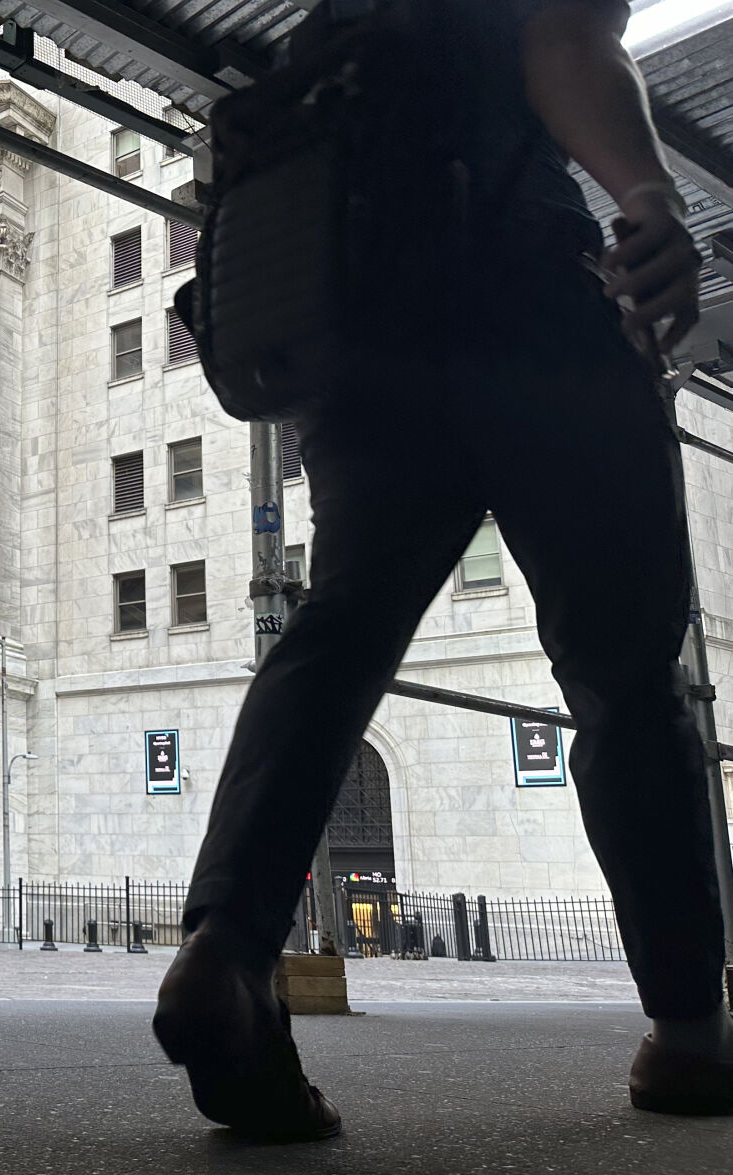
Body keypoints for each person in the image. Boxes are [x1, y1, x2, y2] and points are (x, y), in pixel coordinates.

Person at [154, 0, 721, 1141]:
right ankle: (688, 1032)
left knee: (341, 622)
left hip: (351, 317)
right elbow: (564, 38)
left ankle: (226, 945)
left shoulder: (327, 32)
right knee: (621, 671)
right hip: (519, 289)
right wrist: (648, 200)